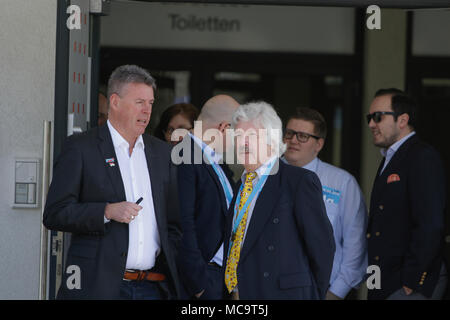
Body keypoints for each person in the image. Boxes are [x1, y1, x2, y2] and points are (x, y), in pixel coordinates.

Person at [43, 65, 181, 300]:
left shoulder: (161, 153)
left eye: (150, 103)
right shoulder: (81, 148)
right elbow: (55, 213)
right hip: (99, 287)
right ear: (114, 102)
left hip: (152, 287)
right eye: (139, 102)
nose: (147, 111)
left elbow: (174, 223)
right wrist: (106, 211)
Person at [222, 101, 335, 300]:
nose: (243, 143)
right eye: (238, 136)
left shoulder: (299, 181)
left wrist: (312, 295)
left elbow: (322, 248)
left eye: (252, 137)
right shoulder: (240, 185)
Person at [366, 88, 447, 300]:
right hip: (383, 280)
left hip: (407, 284)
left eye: (378, 117)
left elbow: (430, 224)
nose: (371, 124)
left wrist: (412, 281)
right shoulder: (391, 156)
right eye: (370, 118)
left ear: (402, 120)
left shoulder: (422, 156)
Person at [282, 107, 368, 300]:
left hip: (322, 290)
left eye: (303, 136)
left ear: (318, 144)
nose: (293, 140)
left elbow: (356, 245)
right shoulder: (264, 177)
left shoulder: (342, 183)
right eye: (289, 133)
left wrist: (335, 293)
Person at [176, 95, 239, 299]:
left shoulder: (215, 162)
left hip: (219, 277)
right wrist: (199, 285)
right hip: (202, 279)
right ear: (224, 127)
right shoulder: (185, 156)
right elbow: (182, 223)